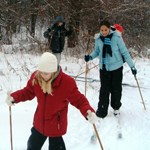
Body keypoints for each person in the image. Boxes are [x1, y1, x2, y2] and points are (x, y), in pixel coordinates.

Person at [6, 52, 97, 150]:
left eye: (46, 73)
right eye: (41, 72)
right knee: (32, 146)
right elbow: (28, 92)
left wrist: (88, 112)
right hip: (39, 123)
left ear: (53, 71)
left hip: (56, 126)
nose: (43, 75)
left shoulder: (66, 83)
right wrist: (14, 97)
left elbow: (79, 100)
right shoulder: (36, 78)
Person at [84, 20, 137, 118]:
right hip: (104, 68)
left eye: (105, 30)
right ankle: (102, 110)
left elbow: (125, 52)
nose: (104, 32)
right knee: (104, 90)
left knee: (116, 89)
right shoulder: (98, 38)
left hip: (116, 68)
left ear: (109, 29)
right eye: (102, 30)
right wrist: (90, 57)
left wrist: (132, 66)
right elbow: (96, 51)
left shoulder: (117, 37)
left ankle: (116, 107)